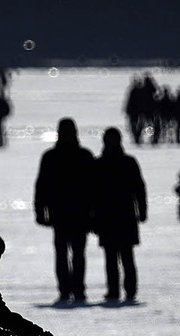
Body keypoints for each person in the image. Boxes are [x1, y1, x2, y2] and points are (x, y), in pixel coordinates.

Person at [34, 118, 95, 303]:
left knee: (76, 254)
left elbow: (95, 187)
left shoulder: (81, 156)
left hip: (77, 213)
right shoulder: (54, 156)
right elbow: (41, 186)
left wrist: (94, 211)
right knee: (63, 254)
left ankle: (77, 289)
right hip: (61, 213)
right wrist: (39, 210)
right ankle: (66, 290)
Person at [92, 128, 147, 302]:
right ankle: (125, 290)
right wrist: (142, 210)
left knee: (115, 257)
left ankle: (116, 290)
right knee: (124, 256)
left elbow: (139, 188)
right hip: (122, 215)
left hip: (111, 215)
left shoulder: (100, 163)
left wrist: (92, 216)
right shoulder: (127, 162)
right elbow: (139, 188)